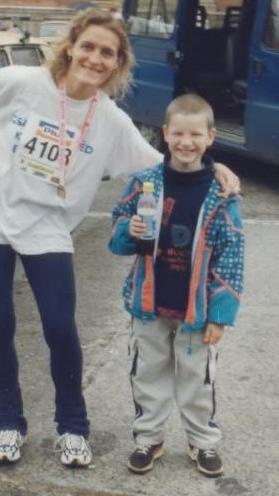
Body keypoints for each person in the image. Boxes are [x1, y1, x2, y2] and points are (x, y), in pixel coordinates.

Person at [0, 8, 239, 469]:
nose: (95, 58)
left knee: (61, 329)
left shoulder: (110, 120)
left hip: (47, 230)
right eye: (89, 47)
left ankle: (73, 428)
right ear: (71, 47)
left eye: (108, 53)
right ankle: (9, 424)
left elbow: (159, 166)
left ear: (118, 62)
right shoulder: (23, 82)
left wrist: (212, 165)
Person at [109, 94, 244, 477]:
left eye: (196, 134)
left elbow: (232, 256)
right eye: (179, 133)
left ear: (211, 136)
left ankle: (203, 441)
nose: (187, 142)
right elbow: (117, 230)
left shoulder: (222, 193)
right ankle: (148, 437)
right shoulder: (144, 182)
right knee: (147, 373)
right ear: (165, 133)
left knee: (197, 379)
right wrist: (128, 231)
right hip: (148, 304)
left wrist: (220, 314)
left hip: (196, 312)